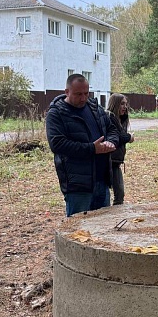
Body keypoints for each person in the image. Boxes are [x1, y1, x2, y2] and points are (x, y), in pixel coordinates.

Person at [46, 74, 120, 216]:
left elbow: (112, 129)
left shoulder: (94, 108)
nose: (83, 98)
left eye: (86, 93)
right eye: (78, 94)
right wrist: (92, 149)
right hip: (78, 186)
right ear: (67, 92)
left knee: (103, 226)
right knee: (78, 227)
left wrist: (111, 141)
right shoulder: (57, 113)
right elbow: (57, 144)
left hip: (102, 181)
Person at [106, 93, 135, 205]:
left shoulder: (120, 119)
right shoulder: (109, 117)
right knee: (117, 194)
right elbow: (117, 137)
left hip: (116, 162)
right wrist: (129, 137)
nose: (125, 107)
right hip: (109, 161)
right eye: (122, 104)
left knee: (119, 194)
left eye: (126, 104)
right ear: (115, 104)